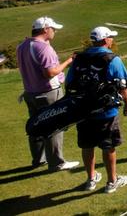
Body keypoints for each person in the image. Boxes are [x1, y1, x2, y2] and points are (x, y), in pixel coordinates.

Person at [66, 26, 127, 193]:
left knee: (87, 146)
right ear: (105, 40)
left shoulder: (80, 58)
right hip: (106, 111)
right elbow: (123, 85)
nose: (112, 40)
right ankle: (111, 182)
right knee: (108, 146)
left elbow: (69, 82)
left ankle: (90, 179)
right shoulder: (112, 59)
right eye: (110, 37)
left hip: (83, 111)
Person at [16, 17, 79, 171]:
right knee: (54, 125)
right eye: (53, 29)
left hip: (30, 93)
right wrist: (69, 61)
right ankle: (57, 162)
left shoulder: (23, 45)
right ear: (45, 29)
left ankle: (38, 159)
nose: (55, 31)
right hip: (48, 92)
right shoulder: (43, 48)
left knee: (36, 125)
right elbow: (50, 72)